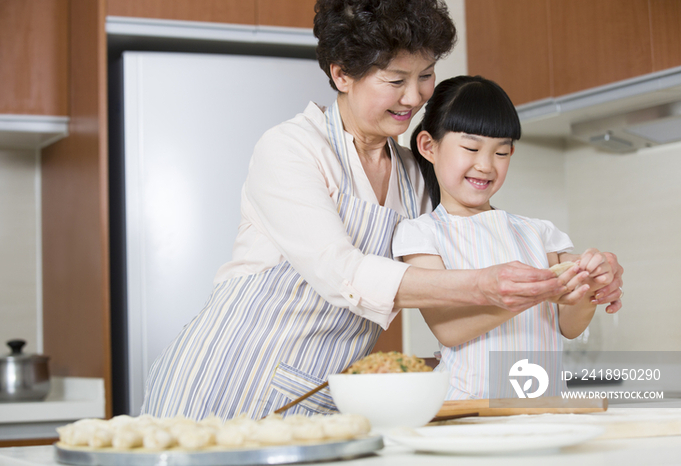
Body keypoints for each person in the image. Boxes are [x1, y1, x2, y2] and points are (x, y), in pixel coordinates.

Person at [142, 0, 623, 421]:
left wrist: (581, 274)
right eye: (395, 79)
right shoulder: (293, 148)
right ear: (341, 74)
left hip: (319, 396)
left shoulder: (415, 172)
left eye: (425, 75)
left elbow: (480, 236)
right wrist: (484, 285)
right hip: (221, 384)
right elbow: (341, 272)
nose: (414, 97)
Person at [392, 75, 617, 399]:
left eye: (501, 152)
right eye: (471, 147)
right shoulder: (422, 234)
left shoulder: (539, 232)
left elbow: (570, 326)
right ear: (429, 146)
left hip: (542, 406)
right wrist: (534, 294)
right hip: (468, 409)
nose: (485, 165)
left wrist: (591, 282)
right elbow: (449, 329)